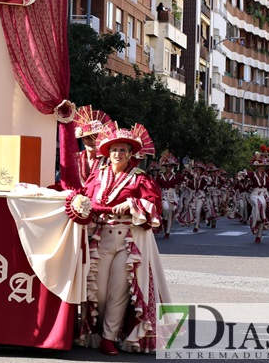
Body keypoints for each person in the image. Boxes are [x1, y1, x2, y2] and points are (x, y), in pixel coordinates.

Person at [65, 123, 169, 355]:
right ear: (107, 153)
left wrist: (131, 204)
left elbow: (154, 206)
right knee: (98, 290)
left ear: (131, 154)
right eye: (114, 149)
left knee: (118, 290)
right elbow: (84, 198)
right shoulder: (98, 176)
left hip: (128, 241)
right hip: (101, 238)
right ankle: (101, 329)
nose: (118, 154)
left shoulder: (139, 178)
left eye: (123, 150)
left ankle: (109, 337)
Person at [73, 106, 113, 187]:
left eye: (96, 137)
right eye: (88, 137)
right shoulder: (74, 158)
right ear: (82, 139)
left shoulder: (109, 160)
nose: (92, 141)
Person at [156, 152, 182, 239]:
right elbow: (157, 186)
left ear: (172, 167)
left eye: (170, 166)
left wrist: (191, 174)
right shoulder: (160, 176)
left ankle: (168, 232)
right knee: (165, 209)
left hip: (172, 194)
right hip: (163, 194)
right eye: (166, 166)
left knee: (170, 211)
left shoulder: (175, 176)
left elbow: (185, 179)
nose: (168, 168)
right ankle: (164, 220)